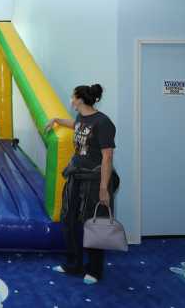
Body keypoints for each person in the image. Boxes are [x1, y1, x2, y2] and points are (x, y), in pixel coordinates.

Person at [45, 84, 120, 285]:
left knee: (93, 224)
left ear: (79, 99)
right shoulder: (81, 118)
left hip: (95, 181)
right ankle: (73, 264)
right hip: (76, 176)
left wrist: (104, 188)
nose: (70, 99)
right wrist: (57, 121)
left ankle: (94, 270)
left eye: (72, 96)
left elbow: (107, 157)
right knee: (69, 219)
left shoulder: (103, 122)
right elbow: (77, 126)